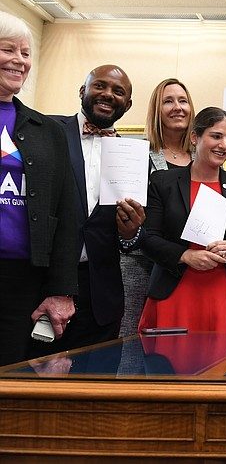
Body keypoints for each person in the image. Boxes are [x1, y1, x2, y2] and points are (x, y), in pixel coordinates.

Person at [139, 107, 226, 332]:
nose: (223, 145)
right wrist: (185, 255)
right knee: (173, 354)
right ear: (195, 137)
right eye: (216, 136)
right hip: (176, 293)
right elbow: (148, 237)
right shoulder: (163, 182)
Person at [0, 11, 78, 365]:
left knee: (11, 375)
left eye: (26, 53)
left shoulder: (49, 131)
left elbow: (67, 213)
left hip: (23, 282)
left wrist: (61, 290)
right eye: (8, 50)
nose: (19, 60)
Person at [50, 65, 146, 351]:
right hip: (45, 288)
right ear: (83, 91)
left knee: (96, 377)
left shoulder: (134, 159)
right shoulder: (49, 133)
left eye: (118, 91)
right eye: (100, 86)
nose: (108, 94)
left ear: (128, 104)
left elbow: (131, 238)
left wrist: (129, 233)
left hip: (102, 299)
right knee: (31, 375)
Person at [119, 78, 196, 337]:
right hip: (142, 264)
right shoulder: (139, 154)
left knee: (178, 342)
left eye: (183, 101)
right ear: (156, 110)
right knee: (133, 341)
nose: (178, 107)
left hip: (189, 268)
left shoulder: (202, 157)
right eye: (168, 101)